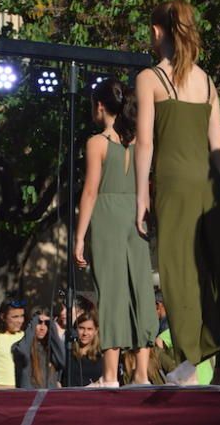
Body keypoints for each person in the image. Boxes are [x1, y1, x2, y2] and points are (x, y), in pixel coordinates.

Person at [135, 0, 220, 384]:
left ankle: (190, 357)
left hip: (172, 181)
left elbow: (146, 144)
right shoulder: (205, 80)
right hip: (208, 183)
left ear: (157, 32)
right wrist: (215, 186)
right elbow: (218, 145)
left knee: (179, 269)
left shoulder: (150, 78)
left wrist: (142, 195)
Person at [75, 78, 158, 388]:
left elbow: (90, 191)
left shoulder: (97, 142)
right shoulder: (139, 141)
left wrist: (80, 236)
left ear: (100, 106)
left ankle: (110, 375)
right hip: (137, 217)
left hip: (108, 217)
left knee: (111, 292)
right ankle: (140, 374)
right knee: (141, 290)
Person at [15, 310, 63, 389]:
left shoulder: (52, 350)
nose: (42, 328)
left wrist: (53, 327)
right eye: (39, 323)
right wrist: (34, 321)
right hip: (30, 398)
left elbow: (62, 360)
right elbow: (22, 352)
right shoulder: (20, 346)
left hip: (50, 398)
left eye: (46, 324)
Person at [63, 313, 104, 387]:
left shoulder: (101, 356)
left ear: (96, 331)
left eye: (89, 329)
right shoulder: (67, 352)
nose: (85, 333)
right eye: (81, 328)